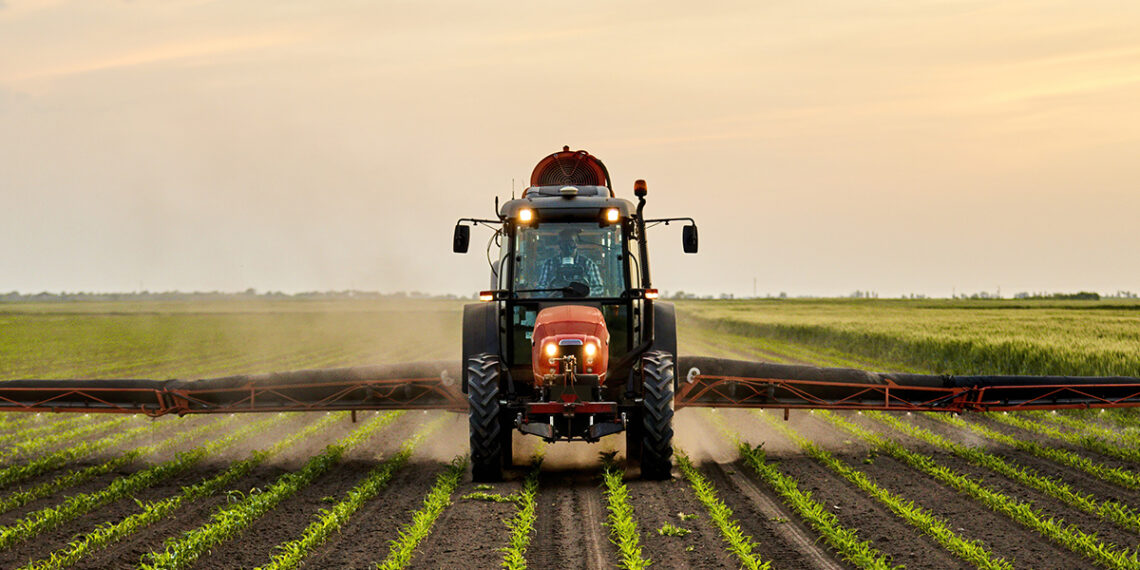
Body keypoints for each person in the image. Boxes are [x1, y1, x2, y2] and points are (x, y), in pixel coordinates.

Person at [537, 227, 604, 294]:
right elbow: (541, 286)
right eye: (563, 243)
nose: (567, 246)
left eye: (571, 242)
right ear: (559, 245)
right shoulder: (549, 264)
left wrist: (584, 293)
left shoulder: (588, 264)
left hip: (581, 302)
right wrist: (551, 292)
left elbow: (599, 288)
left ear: (576, 244)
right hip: (556, 301)